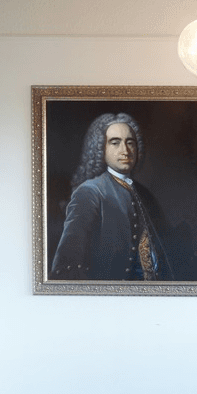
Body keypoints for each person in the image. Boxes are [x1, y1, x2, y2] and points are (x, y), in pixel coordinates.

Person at [50, 112, 172, 280]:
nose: (125, 151)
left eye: (130, 143)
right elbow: (67, 266)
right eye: (115, 143)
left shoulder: (144, 194)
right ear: (101, 148)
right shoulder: (90, 192)